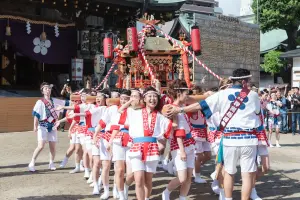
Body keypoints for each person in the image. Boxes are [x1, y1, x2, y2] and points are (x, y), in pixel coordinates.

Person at [166, 69, 261, 200]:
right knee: (247, 175)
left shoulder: (221, 94)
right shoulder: (253, 95)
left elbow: (200, 106)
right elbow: (256, 112)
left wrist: (180, 109)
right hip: (249, 140)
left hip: (229, 139)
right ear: (244, 81)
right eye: (249, 81)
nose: (250, 83)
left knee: (228, 172)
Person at [125, 86, 172, 200]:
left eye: (155, 96)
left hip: (152, 148)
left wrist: (163, 142)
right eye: (149, 96)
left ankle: (146, 198)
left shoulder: (161, 117)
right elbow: (121, 112)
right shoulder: (134, 113)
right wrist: (132, 99)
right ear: (144, 99)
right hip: (137, 147)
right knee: (139, 179)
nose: (152, 99)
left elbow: (170, 128)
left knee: (148, 180)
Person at [162, 80, 196, 200]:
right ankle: (166, 191)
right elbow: (177, 131)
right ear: (178, 93)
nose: (187, 95)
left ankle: (182, 197)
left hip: (190, 143)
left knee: (188, 177)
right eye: (186, 93)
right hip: (178, 145)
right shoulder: (172, 108)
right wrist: (182, 150)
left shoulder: (182, 107)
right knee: (182, 178)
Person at [29, 82, 61, 172]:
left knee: (53, 146)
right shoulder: (40, 102)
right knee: (41, 146)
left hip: (53, 126)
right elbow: (36, 115)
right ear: (42, 91)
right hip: (42, 125)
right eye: (46, 88)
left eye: (49, 88)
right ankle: (32, 162)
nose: (48, 90)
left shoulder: (54, 101)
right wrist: (34, 126)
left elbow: (64, 106)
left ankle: (51, 163)